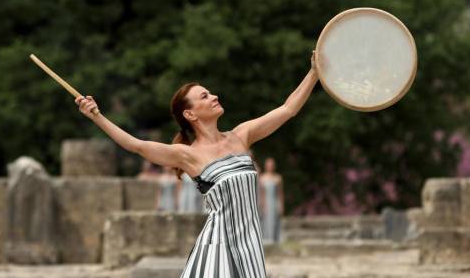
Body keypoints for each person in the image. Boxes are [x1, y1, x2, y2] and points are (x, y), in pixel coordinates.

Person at [75, 52, 319, 278]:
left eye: (211, 93)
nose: (214, 96)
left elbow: (288, 109)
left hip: (251, 244)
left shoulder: (242, 135)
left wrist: (314, 73)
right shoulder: (187, 155)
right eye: (205, 96)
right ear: (190, 115)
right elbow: (135, 145)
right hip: (218, 247)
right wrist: (97, 116)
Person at [258, 157, 283, 243]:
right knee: (266, 221)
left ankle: (275, 239)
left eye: (271, 165)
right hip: (266, 203)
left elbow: (280, 193)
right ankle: (267, 239)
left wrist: (281, 205)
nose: (270, 167)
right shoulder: (262, 178)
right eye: (268, 165)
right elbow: (261, 194)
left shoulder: (278, 178)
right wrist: (262, 205)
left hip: (274, 202)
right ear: (266, 166)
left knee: (275, 220)